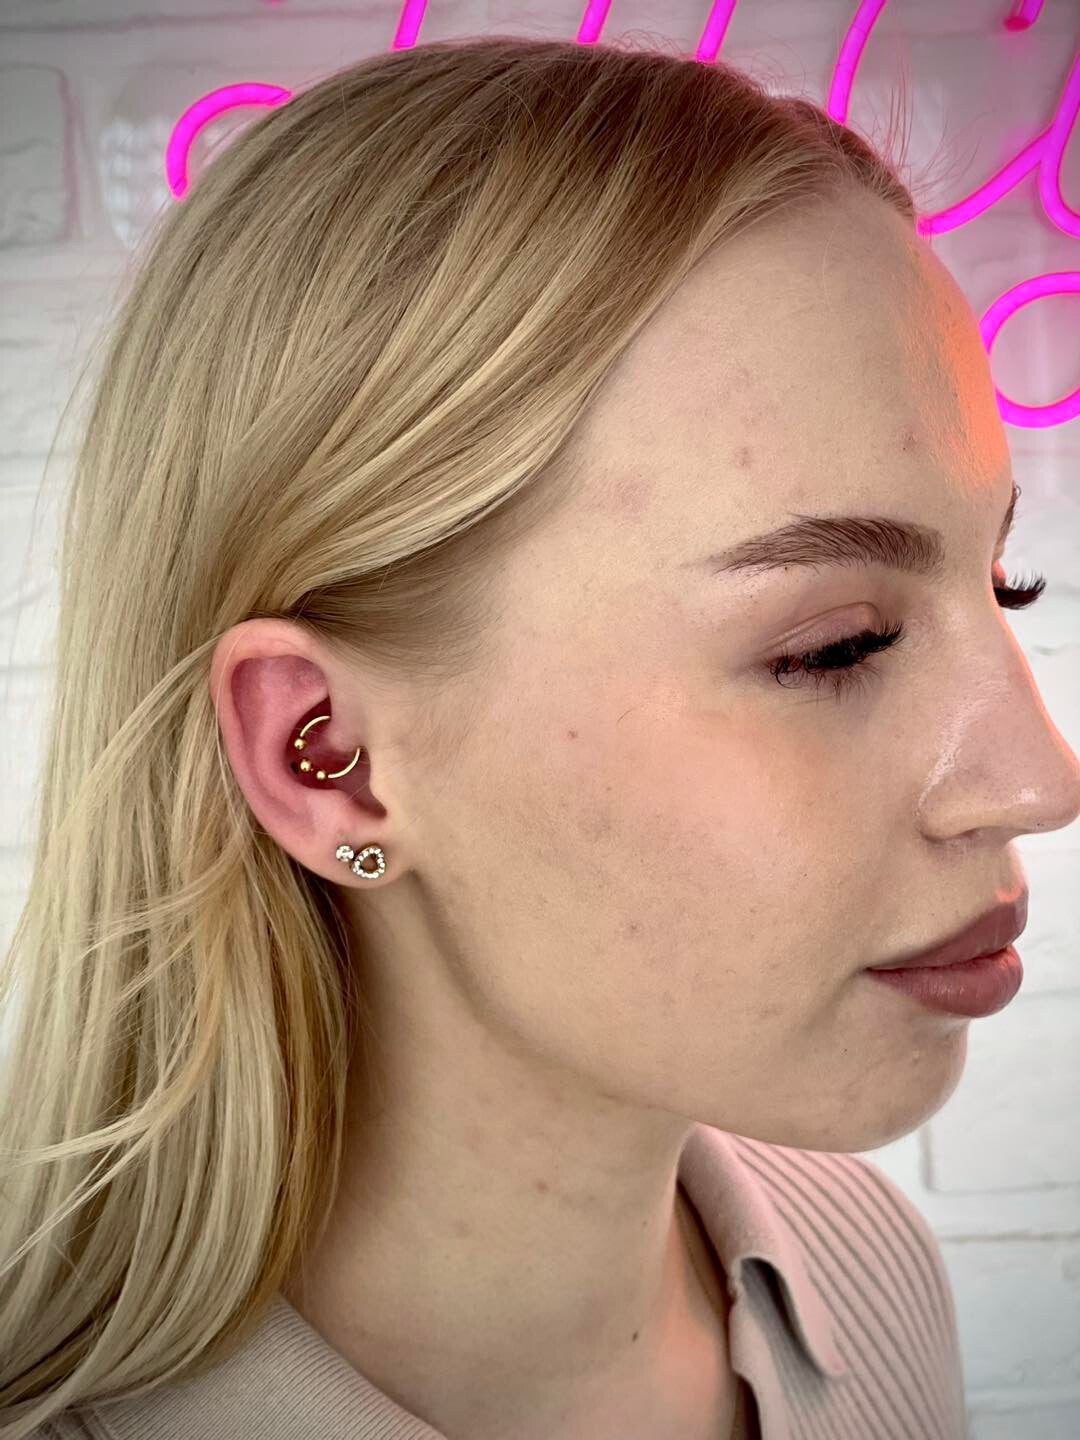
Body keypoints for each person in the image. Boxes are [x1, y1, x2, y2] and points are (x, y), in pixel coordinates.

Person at [3, 32, 1078, 1440]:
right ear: (330, 760)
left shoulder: (866, 1277)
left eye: (1003, 582)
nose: (1040, 780)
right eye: (835, 645)